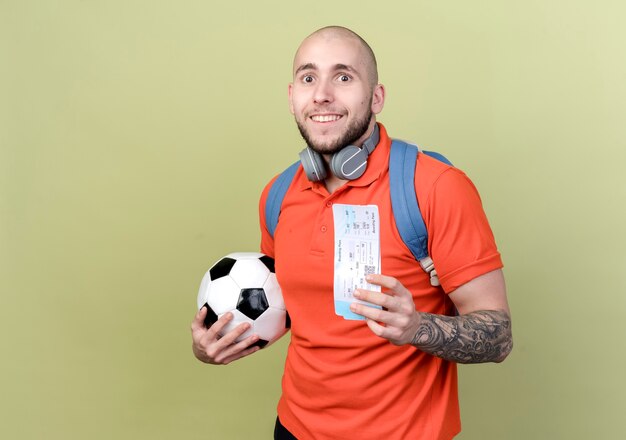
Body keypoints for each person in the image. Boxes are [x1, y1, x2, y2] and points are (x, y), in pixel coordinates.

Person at [191, 26, 513, 440]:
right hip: (293, 428)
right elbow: (284, 307)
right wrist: (219, 340)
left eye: (343, 77)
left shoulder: (434, 187)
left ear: (376, 97)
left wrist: (415, 327)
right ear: (292, 97)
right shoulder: (277, 194)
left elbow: (499, 336)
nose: (322, 93)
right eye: (309, 78)